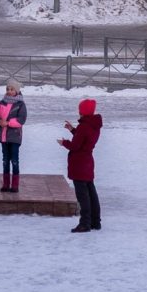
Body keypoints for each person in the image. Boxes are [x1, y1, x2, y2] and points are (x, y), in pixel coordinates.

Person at [60, 98, 102, 233]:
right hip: (88, 162)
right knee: (91, 193)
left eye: (80, 110)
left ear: (82, 112)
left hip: (79, 164)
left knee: (83, 196)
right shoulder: (93, 125)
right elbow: (84, 138)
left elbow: (76, 145)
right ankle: (95, 222)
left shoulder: (84, 126)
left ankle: (85, 223)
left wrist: (64, 143)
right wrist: (73, 129)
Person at [0, 79, 27, 193]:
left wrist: (8, 123)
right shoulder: (2, 102)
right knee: (5, 160)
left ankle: (15, 185)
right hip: (4, 136)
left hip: (14, 137)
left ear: (16, 91)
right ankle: (6, 184)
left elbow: (21, 120)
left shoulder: (20, 104)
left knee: (14, 160)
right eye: (8, 89)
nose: (9, 91)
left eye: (12, 89)